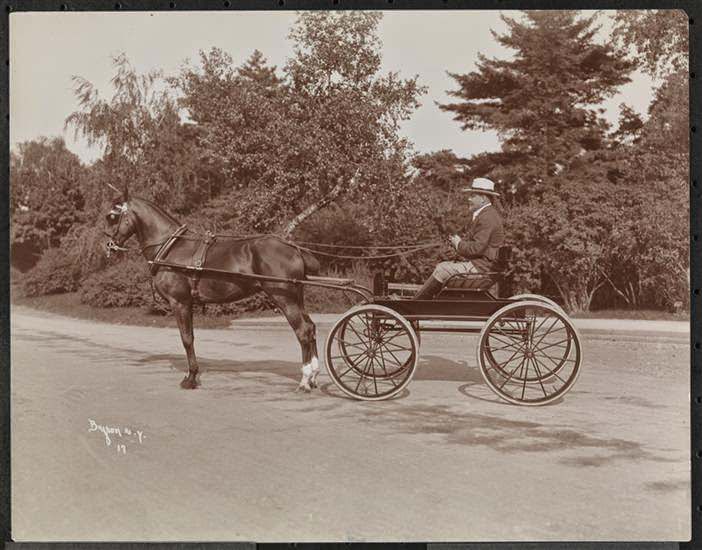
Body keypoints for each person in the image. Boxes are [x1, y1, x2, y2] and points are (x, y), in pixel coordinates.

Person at [414, 177, 505, 300]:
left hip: (481, 269)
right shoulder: (488, 215)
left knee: (442, 269)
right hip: (483, 266)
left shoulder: (487, 217)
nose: (469, 199)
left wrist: (458, 244)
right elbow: (479, 247)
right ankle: (419, 303)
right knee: (444, 266)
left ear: (483, 198)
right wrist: (457, 245)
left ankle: (415, 305)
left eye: (473, 196)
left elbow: (477, 248)